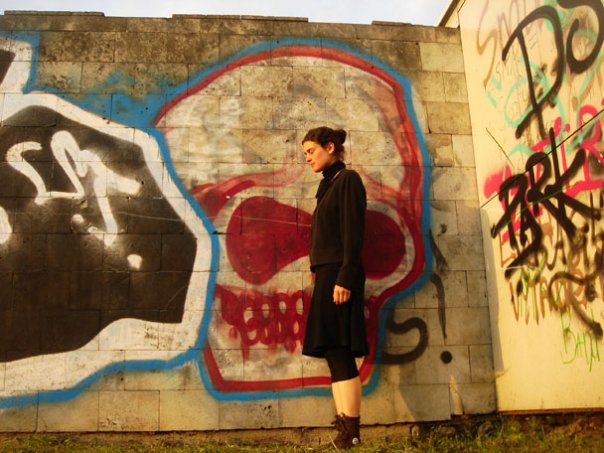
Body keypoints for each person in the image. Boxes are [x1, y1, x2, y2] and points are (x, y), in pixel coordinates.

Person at [301, 126, 369, 449]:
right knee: (331, 351)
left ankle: (351, 432)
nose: (307, 158)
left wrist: (346, 277)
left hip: (340, 275)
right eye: (305, 153)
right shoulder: (327, 185)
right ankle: (344, 427)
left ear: (330, 147)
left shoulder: (348, 181)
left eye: (311, 151)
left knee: (341, 351)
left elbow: (353, 233)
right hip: (327, 275)